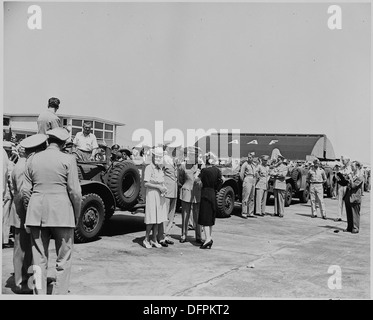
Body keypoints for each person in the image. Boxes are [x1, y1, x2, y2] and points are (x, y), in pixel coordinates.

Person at [22, 127, 82, 295]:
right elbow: (75, 192)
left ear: (48, 141)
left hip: (37, 213)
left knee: (39, 259)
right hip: (62, 213)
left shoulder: (32, 159)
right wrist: (76, 214)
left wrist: (31, 209)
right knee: (63, 259)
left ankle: (39, 295)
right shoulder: (68, 159)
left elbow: (25, 191)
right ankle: (59, 295)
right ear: (63, 144)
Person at [11, 134, 47, 293]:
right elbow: (23, 194)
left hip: (23, 214)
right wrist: (28, 217)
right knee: (22, 250)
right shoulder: (23, 166)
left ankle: (27, 280)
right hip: (22, 214)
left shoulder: (23, 164)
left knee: (26, 250)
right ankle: (21, 284)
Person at [142, 147, 168, 248]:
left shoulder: (160, 168)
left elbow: (161, 181)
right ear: (152, 156)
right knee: (151, 217)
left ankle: (154, 239)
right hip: (152, 194)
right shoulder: (149, 168)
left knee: (158, 217)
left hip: (160, 195)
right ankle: (146, 239)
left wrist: (163, 187)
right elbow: (146, 183)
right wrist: (158, 187)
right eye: (157, 156)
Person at [198, 153, 222, 249]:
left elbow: (197, 180)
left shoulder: (204, 171)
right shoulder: (217, 170)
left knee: (205, 218)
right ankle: (209, 237)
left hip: (205, 194)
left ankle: (207, 239)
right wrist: (216, 189)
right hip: (212, 193)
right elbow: (221, 180)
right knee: (210, 218)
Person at [178, 147, 202, 243]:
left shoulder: (200, 166)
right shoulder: (183, 166)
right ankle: (184, 235)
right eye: (192, 155)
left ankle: (198, 236)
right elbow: (180, 179)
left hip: (197, 192)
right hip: (187, 190)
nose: (194, 157)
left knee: (197, 214)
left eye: (195, 155)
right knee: (185, 214)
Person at [158, 147, 179, 246]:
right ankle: (161, 236)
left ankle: (167, 234)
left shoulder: (174, 160)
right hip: (166, 190)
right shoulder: (164, 159)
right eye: (174, 149)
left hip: (174, 191)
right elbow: (160, 174)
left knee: (171, 214)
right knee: (164, 214)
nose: (176, 151)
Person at [343, 161, 364, 234]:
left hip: (355, 197)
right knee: (349, 213)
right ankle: (349, 227)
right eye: (351, 166)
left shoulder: (360, 176)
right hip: (348, 196)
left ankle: (355, 228)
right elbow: (347, 184)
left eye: (353, 166)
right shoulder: (353, 175)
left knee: (355, 213)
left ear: (357, 167)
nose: (351, 167)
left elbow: (353, 186)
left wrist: (350, 178)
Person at [240, 152, 257, 218]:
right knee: (246, 196)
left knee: (252, 197)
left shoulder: (253, 165)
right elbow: (241, 174)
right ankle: (244, 213)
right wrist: (244, 181)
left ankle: (251, 212)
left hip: (253, 179)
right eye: (249, 157)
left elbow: (255, 173)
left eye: (251, 157)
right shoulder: (245, 164)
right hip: (247, 178)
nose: (250, 158)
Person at [335, 156, 352, 222]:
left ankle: (349, 218)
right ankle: (339, 216)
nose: (343, 162)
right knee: (340, 201)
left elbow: (349, 177)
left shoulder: (350, 168)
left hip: (346, 186)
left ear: (348, 160)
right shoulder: (342, 168)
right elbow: (337, 175)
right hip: (340, 185)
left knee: (347, 202)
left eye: (344, 160)